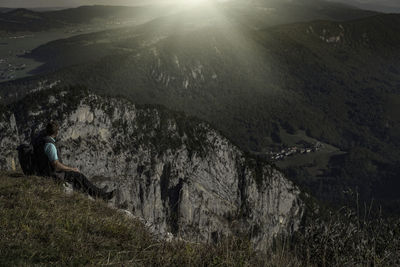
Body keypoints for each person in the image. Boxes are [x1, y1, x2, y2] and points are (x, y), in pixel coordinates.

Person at [34, 121, 115, 201]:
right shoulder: (50, 145)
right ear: (56, 133)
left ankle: (98, 193)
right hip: (52, 174)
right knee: (79, 176)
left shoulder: (42, 140)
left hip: (44, 171)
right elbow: (56, 165)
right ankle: (102, 196)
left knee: (78, 178)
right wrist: (72, 169)